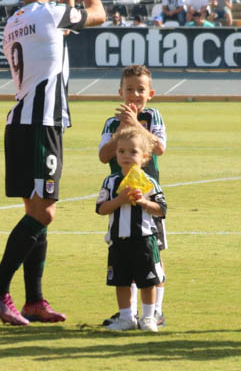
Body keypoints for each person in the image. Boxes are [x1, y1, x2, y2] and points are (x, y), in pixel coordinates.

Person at [0, 0, 106, 325]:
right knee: (44, 211)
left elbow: (61, 31)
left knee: (35, 210)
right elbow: (97, 15)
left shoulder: (16, 20)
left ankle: (33, 300)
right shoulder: (49, 15)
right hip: (41, 124)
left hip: (20, 122)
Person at [97, 65, 168, 326]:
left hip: (147, 195)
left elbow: (159, 148)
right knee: (126, 254)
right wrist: (123, 131)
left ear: (150, 92)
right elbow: (104, 156)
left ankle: (155, 312)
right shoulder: (112, 122)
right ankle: (129, 313)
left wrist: (136, 124)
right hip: (120, 196)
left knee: (153, 255)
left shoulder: (153, 116)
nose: (134, 95)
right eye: (129, 89)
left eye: (140, 89)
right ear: (120, 92)